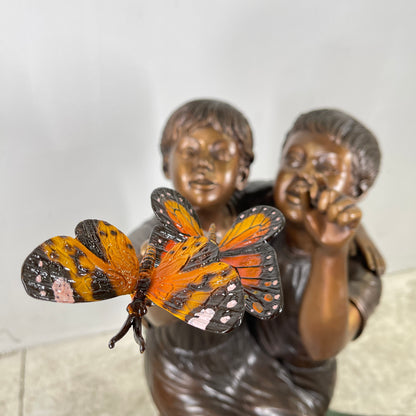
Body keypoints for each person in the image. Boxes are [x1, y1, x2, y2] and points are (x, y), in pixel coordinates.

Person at [129, 102, 384, 415]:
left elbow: (321, 348)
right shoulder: (261, 210)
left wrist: (334, 250)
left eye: (326, 168)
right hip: (201, 360)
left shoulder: (360, 273)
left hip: (288, 388)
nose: (303, 176)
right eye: (293, 160)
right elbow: (216, 192)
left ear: (358, 189)